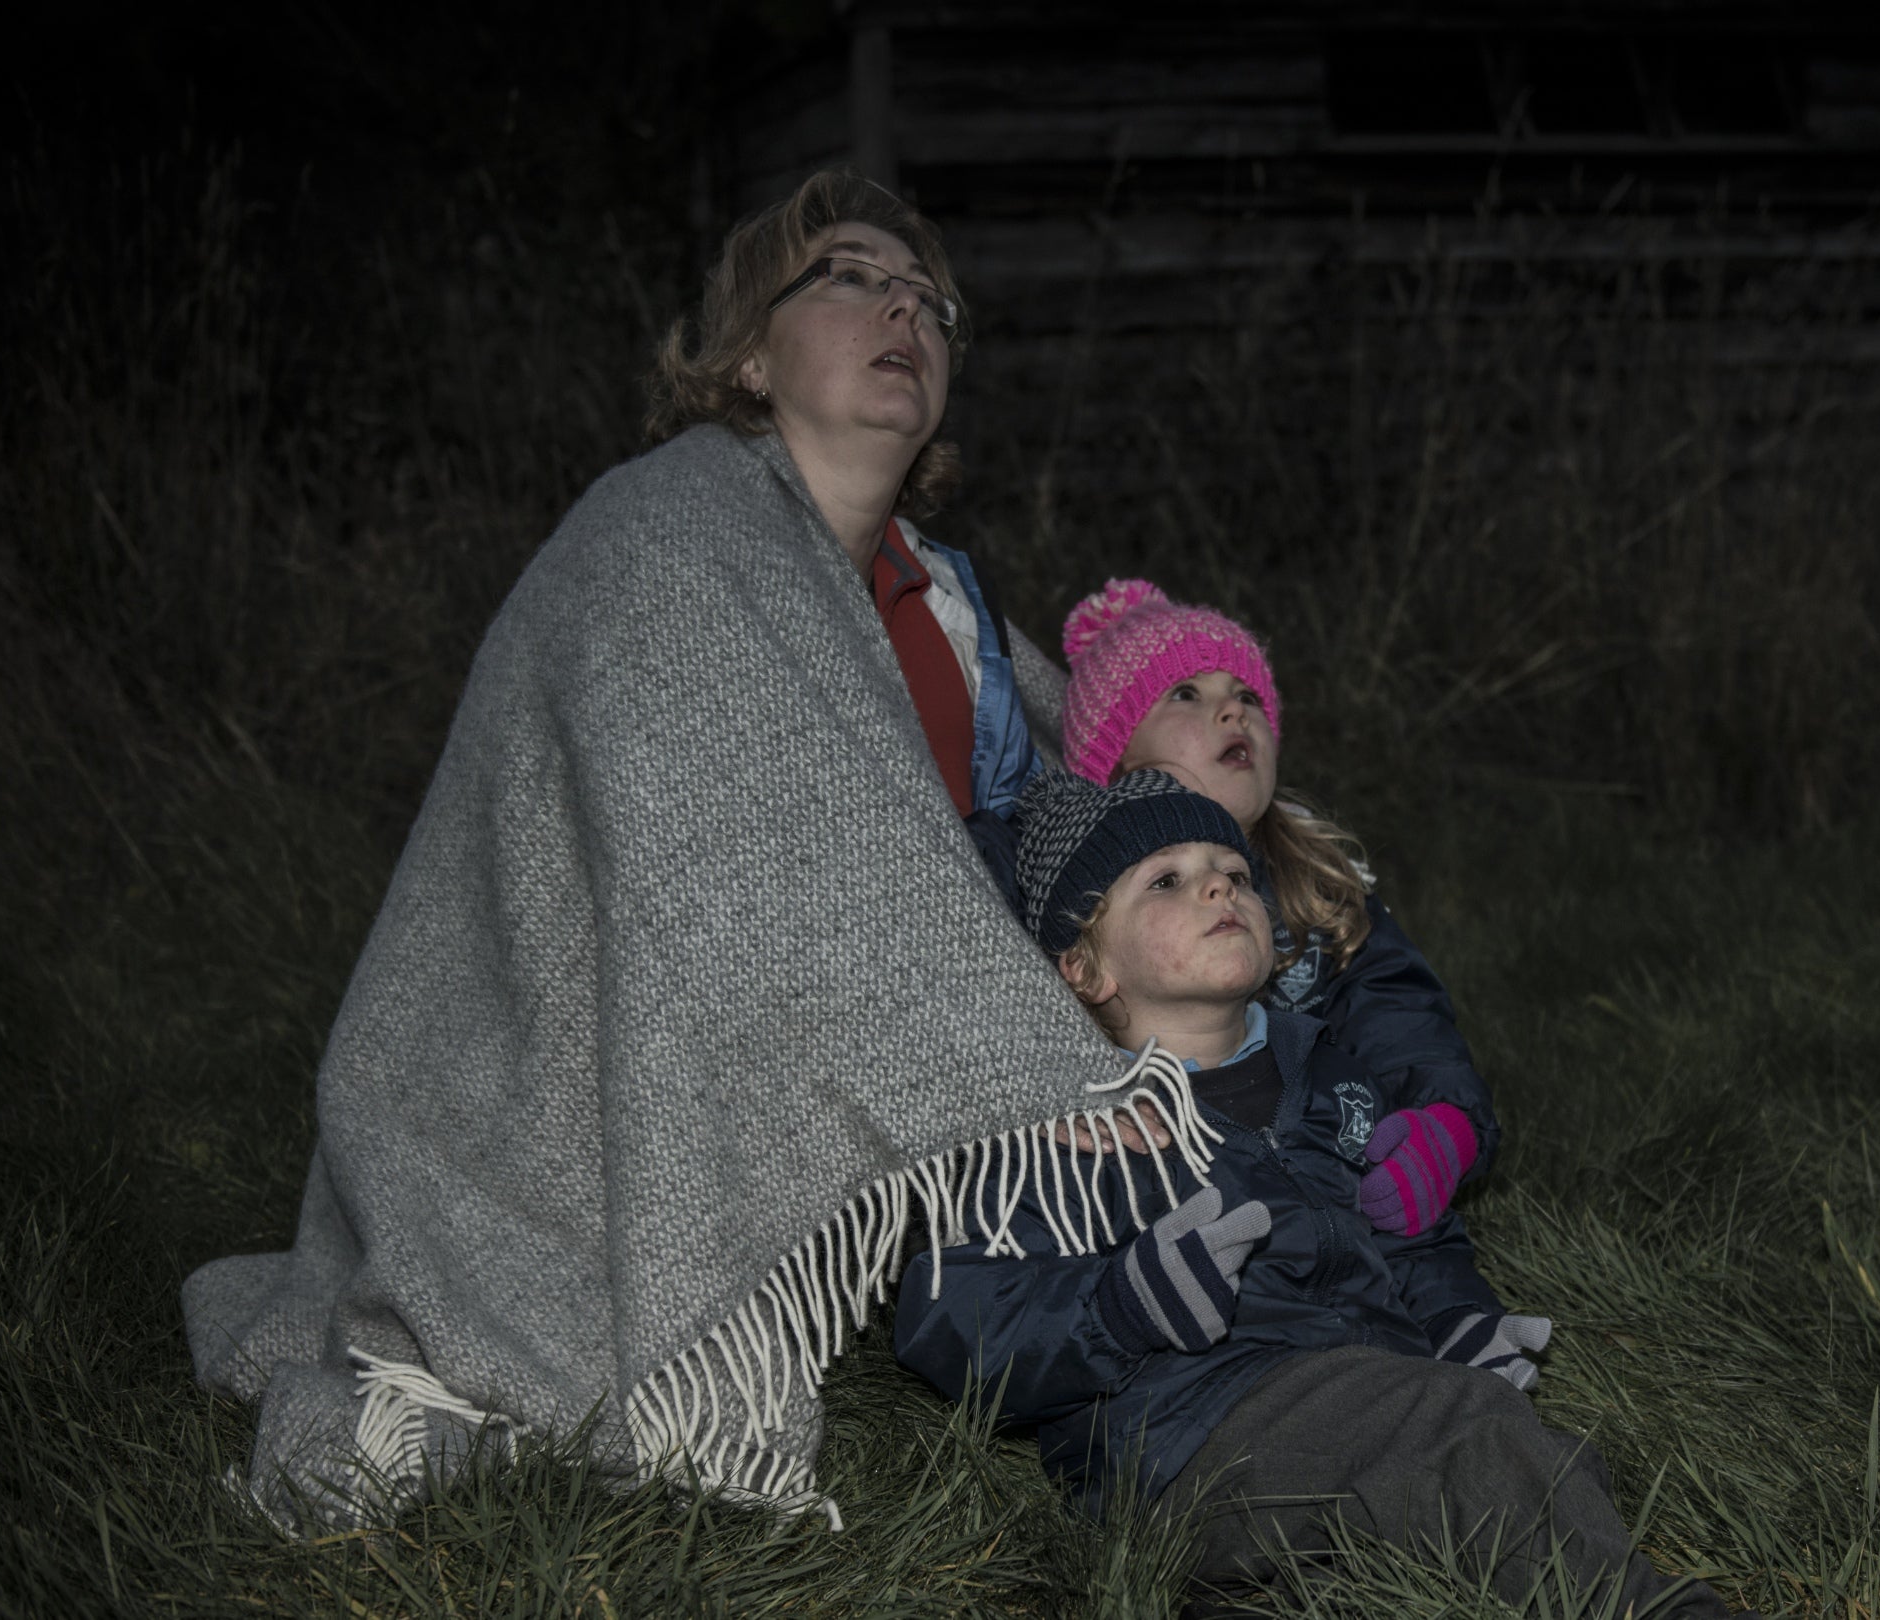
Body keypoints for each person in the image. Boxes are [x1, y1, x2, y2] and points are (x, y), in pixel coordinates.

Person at [177, 171, 1190, 1525]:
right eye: (845, 273)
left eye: (930, 297)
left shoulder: (936, 594)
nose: (904, 303)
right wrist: (1057, 1075)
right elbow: (769, 871)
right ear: (750, 355)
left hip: (863, 1023)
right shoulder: (668, 529)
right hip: (556, 1064)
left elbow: (1090, 782)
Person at [894, 769, 1745, 1619]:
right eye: (1166, 880)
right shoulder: (1062, 1124)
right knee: (1466, 1434)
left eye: (1230, 868)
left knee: (1520, 1467)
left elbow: (1412, 1241)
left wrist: (1453, 1319)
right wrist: (1117, 1306)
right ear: (1083, 969)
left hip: (1353, 1423)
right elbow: (948, 1305)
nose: (1219, 884)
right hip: (1186, 1437)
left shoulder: (1328, 1072)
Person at [1055, 578, 1498, 1236]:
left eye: (1247, 697)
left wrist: (1449, 1123)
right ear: (1111, 756)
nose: (1234, 713)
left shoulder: (1318, 882)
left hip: (1319, 1174)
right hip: (1153, 1196)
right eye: (1186, 694)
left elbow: (1397, 1012)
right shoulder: (1076, 894)